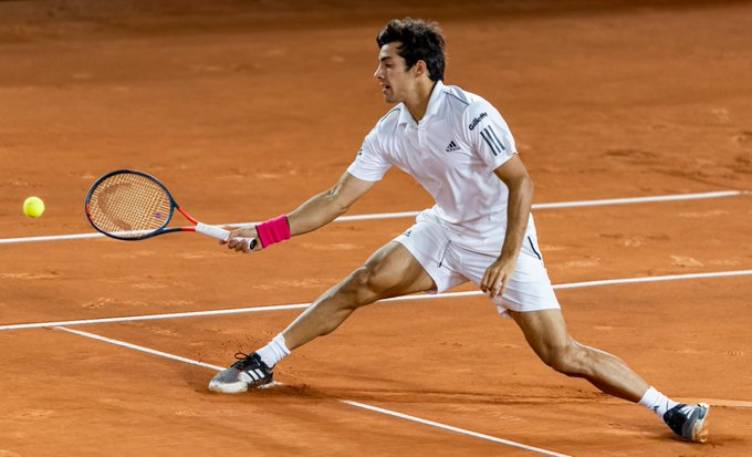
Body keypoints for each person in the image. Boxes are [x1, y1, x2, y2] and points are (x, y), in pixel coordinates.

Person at [208, 18, 709, 443]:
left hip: (501, 238)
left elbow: (521, 183)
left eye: (386, 63)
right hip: (445, 231)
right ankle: (263, 360)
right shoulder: (390, 130)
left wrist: (509, 256)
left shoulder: (472, 115)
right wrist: (263, 232)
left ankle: (670, 408)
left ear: (419, 69)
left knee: (562, 354)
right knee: (363, 281)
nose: (376, 74)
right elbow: (336, 199)